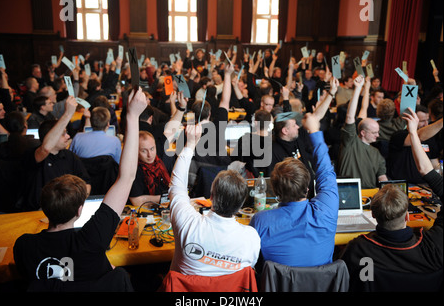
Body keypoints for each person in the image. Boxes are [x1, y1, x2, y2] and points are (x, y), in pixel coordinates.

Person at [13, 86, 147, 289]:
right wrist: (133, 116)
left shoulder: (23, 246)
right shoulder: (92, 239)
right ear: (79, 211)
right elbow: (126, 177)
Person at [339, 108, 442, 292]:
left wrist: (412, 131)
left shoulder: (358, 250)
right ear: (408, 217)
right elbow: (428, 172)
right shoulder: (434, 249)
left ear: (375, 216)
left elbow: (353, 284)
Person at [168, 122, 260, 276]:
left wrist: (190, 144)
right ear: (240, 206)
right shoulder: (251, 238)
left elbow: (176, 186)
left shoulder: (187, 222)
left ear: (211, 196)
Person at [250, 112, 338, 268]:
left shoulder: (260, 221)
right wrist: (315, 133)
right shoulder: (328, 209)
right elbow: (326, 171)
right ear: (308, 187)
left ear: (276, 190)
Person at [21, 97, 92, 211]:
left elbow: (86, 183)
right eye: (63, 134)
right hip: (38, 211)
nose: (68, 137)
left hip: (68, 209)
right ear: (51, 136)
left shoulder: (70, 156)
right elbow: (45, 149)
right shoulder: (34, 155)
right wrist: (68, 114)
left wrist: (75, 202)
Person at [337, 75, 388, 189]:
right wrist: (358, 89)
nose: (378, 135)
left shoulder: (376, 153)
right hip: (349, 193)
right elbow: (350, 117)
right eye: (374, 132)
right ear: (363, 133)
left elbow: (382, 177)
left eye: (377, 132)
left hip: (370, 195)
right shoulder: (350, 142)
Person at [387, 105, 442, 184]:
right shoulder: (399, 136)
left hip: (425, 185)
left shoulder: (430, 139)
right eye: (422, 121)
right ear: (411, 120)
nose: (426, 124)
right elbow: (418, 136)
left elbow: (435, 164)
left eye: (427, 120)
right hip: (403, 185)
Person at [129, 131, 171, 206]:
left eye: (152, 149)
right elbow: (136, 201)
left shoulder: (159, 162)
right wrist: (166, 198)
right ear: (136, 151)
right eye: (144, 151)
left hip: (164, 207)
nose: (150, 155)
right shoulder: (133, 169)